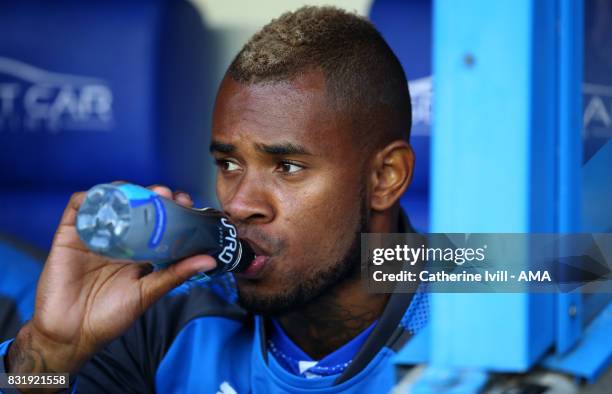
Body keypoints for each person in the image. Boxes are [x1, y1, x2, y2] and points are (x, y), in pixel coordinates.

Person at [0, 6, 428, 393]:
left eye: (288, 167)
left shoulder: (479, 287)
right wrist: (53, 350)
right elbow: (37, 380)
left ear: (384, 178)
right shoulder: (165, 309)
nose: (240, 204)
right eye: (228, 164)